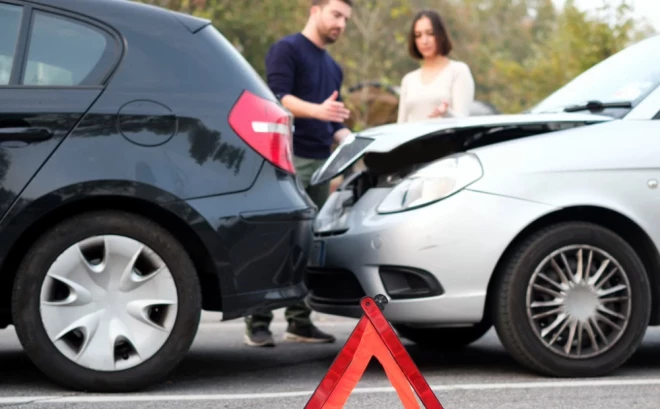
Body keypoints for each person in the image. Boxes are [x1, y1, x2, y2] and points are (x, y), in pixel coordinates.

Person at [243, 0, 353, 347]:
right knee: (276, 240)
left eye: (346, 19)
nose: (341, 24)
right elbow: (276, 98)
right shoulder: (286, 50)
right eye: (336, 15)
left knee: (308, 244)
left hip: (321, 165)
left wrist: (353, 141)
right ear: (314, 9)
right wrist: (319, 112)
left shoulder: (334, 68)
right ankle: (257, 321)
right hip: (285, 160)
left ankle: (299, 322)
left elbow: (334, 122)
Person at [397, 9, 475, 123]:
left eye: (430, 33)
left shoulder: (458, 71)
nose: (424, 41)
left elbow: (464, 122)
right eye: (418, 35)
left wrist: (446, 113)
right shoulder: (408, 80)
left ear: (441, 35)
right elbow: (401, 125)